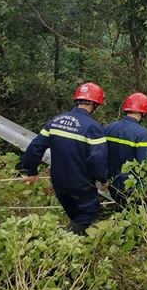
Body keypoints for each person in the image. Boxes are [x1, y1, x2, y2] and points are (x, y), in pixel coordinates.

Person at [20, 82, 108, 234]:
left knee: (74, 213)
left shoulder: (56, 121)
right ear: (95, 104)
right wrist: (103, 179)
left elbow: (35, 147)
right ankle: (66, 242)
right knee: (88, 215)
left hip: (59, 182)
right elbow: (97, 160)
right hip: (81, 184)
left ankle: (71, 239)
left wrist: (31, 170)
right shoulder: (93, 127)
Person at [104, 92, 147, 209]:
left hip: (112, 185)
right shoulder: (141, 134)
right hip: (134, 189)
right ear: (143, 111)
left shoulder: (108, 128)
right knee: (140, 222)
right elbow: (146, 165)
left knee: (122, 215)